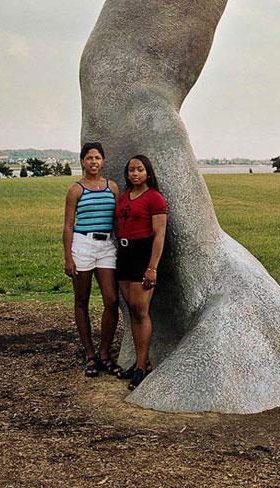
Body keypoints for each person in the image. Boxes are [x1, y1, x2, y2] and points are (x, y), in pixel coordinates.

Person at [62, 142, 120, 377]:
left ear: (103, 161)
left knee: (111, 300)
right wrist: (68, 256)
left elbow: (117, 220)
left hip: (106, 245)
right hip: (82, 245)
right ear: (82, 162)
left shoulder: (112, 187)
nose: (93, 162)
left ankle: (105, 353)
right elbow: (68, 225)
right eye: (89, 158)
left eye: (97, 157)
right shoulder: (76, 189)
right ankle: (90, 355)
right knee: (81, 300)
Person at [115, 154, 168, 389]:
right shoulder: (124, 197)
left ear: (148, 173)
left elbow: (160, 235)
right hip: (124, 256)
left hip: (143, 255)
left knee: (140, 310)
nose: (134, 174)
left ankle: (141, 366)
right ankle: (139, 362)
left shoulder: (155, 198)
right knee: (132, 310)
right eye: (131, 170)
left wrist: (152, 268)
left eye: (139, 170)